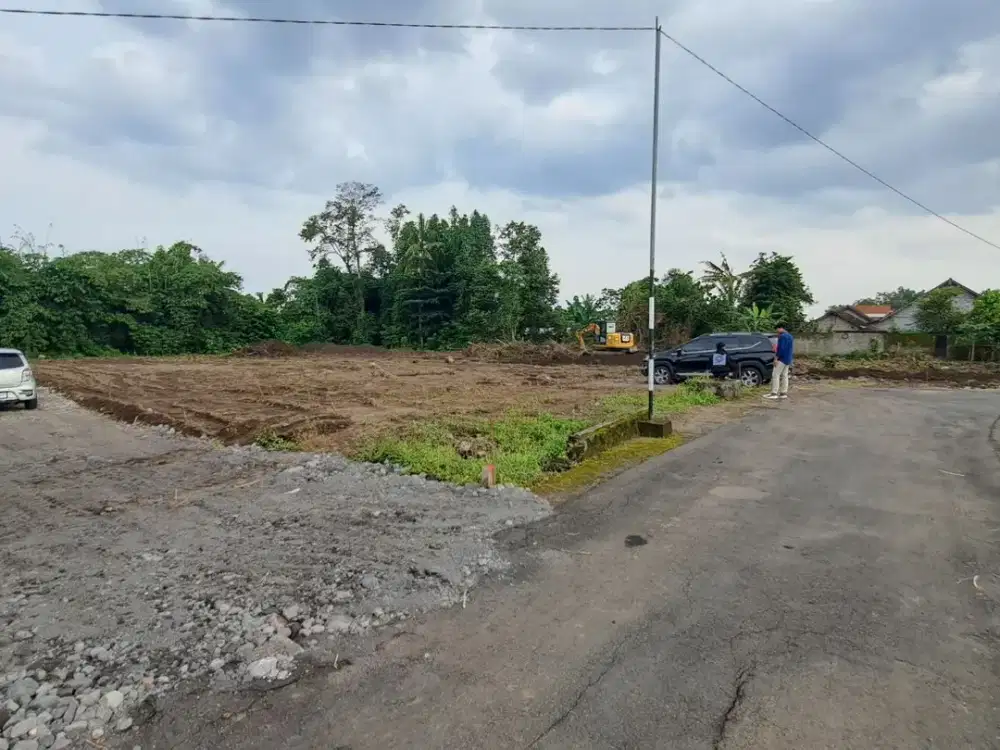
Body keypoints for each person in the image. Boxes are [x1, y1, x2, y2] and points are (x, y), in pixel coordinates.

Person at [765, 326, 794, 399]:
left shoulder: (782, 336)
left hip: (782, 359)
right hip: (788, 359)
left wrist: (776, 358)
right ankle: (783, 393)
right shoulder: (790, 336)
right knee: (784, 375)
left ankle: (774, 393)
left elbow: (781, 349)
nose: (777, 331)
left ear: (781, 328)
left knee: (775, 374)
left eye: (777, 329)